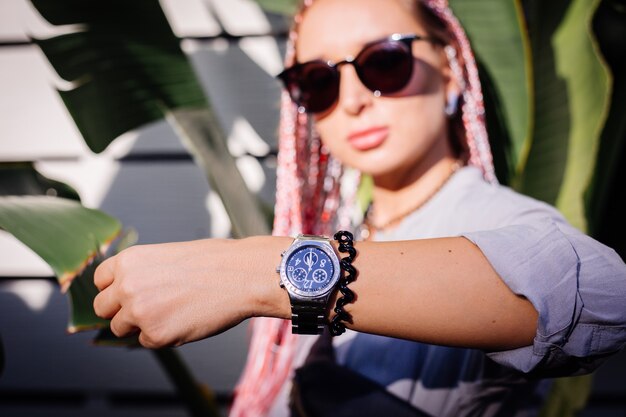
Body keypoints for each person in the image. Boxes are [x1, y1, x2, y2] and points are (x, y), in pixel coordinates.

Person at [93, 0, 626, 416]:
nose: (352, 99)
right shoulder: (345, 227)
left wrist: (252, 272)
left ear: (452, 70)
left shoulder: (490, 220)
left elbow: (598, 294)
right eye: (318, 80)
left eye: (384, 62)